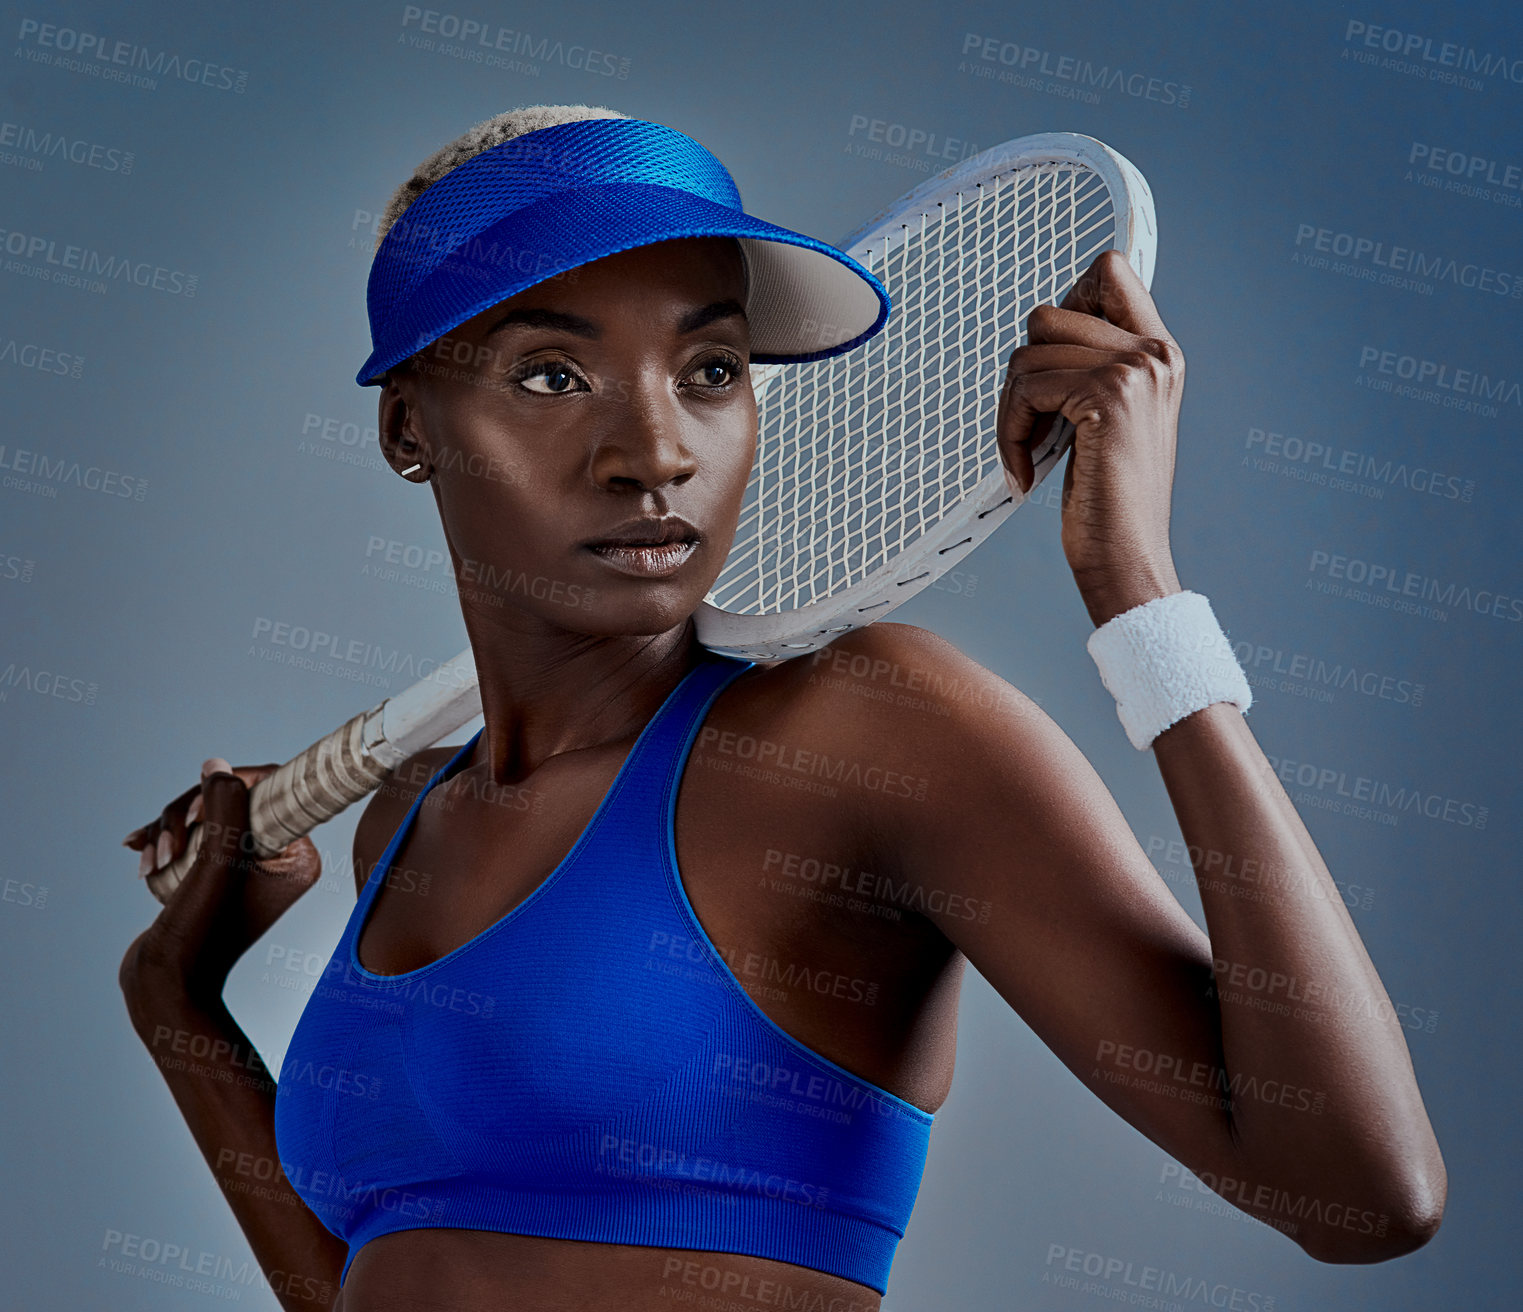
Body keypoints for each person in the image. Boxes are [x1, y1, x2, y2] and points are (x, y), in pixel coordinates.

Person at [118, 104, 1445, 1312]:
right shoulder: (405, 818)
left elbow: (1365, 1189)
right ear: (411, 429)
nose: (655, 454)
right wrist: (177, 998)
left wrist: (1139, 595)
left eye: (710, 370)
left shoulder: (870, 734)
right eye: (551, 376)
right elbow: (371, 1286)